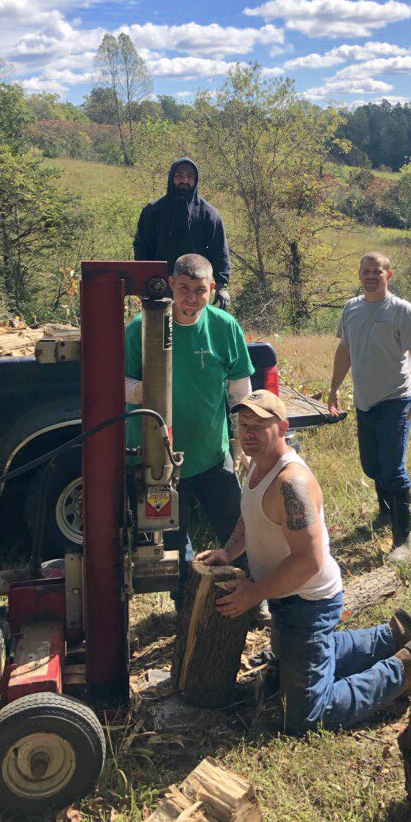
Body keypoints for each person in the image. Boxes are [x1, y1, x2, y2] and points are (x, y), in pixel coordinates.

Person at [198, 389, 411, 735]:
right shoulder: (255, 464)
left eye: (258, 426)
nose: (247, 433)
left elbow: (308, 562)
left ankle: (406, 667)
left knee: (306, 715)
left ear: (282, 427)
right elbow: (250, 514)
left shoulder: (290, 483)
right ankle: (389, 637)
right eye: (242, 423)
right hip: (286, 599)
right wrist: (229, 551)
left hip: (309, 602)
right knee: (294, 657)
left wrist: (254, 593)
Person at [125, 253, 255, 601]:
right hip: (159, 463)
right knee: (172, 544)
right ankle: (186, 611)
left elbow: (240, 391)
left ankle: (253, 599)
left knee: (238, 531)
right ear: (171, 285)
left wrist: (242, 445)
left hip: (214, 457)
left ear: (212, 289)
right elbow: (115, 383)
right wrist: (145, 390)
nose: (192, 298)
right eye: (184, 288)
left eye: (200, 290)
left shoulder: (224, 327)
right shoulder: (142, 328)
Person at [328, 252, 411, 564]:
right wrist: (333, 388)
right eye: (366, 271)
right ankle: (385, 513)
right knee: (372, 467)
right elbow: (344, 350)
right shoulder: (351, 309)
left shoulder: (401, 311)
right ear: (359, 274)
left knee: (393, 470)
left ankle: (403, 541)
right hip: (365, 402)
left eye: (378, 271)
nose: (371, 276)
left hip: (396, 400)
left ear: (389, 275)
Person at [133, 157, 232, 309]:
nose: (184, 180)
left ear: (196, 180)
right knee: (160, 332)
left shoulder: (209, 214)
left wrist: (221, 285)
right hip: (159, 288)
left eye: (190, 176)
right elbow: (142, 247)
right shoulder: (153, 211)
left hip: (196, 288)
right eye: (179, 175)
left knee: (192, 329)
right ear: (171, 178)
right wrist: (142, 282)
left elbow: (219, 250)